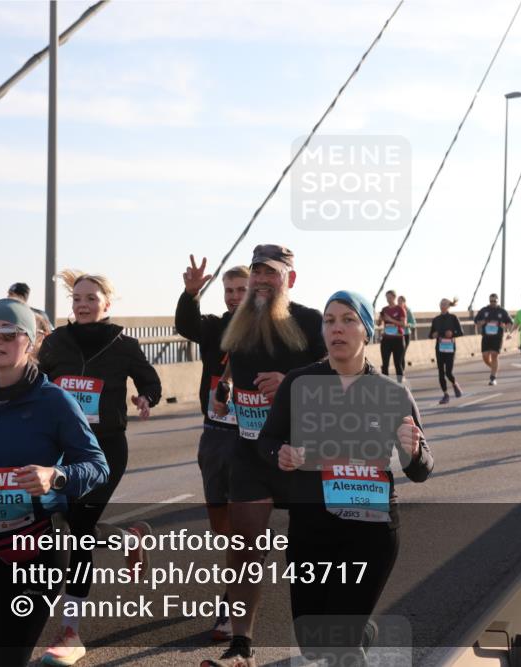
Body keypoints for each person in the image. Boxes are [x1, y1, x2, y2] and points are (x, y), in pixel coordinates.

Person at [260, 290, 433, 665]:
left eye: (348, 320)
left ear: (367, 331)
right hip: (311, 526)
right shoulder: (298, 383)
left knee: (339, 644)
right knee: (312, 641)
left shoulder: (391, 392)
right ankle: (362, 632)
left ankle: (353, 639)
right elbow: (268, 440)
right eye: (329, 320)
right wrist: (282, 454)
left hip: (371, 531)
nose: (336, 328)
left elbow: (420, 469)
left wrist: (414, 450)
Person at [0, 298, 108, 667]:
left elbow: (97, 465)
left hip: (36, 550)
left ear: (30, 341)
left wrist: (56, 476)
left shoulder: (55, 401)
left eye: (8, 332)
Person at [203, 244, 326, 667]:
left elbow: (344, 372)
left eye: (271, 273)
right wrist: (224, 393)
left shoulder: (311, 321)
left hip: (302, 454)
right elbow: (235, 368)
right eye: (257, 272)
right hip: (251, 450)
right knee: (244, 546)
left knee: (308, 553)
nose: (261, 279)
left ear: (290, 279)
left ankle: (319, 642)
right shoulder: (240, 322)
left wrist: (292, 382)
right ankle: (241, 646)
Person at [37, 271, 162, 665]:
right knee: (71, 524)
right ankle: (128, 539)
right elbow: (35, 381)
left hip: (105, 450)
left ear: (107, 304)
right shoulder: (57, 341)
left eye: (91, 298)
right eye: (77, 298)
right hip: (61, 450)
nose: (82, 304)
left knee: (78, 532)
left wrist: (145, 397)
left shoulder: (124, 344)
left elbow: (150, 380)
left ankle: (70, 629)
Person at [175, 257, 249, 641]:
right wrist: (191, 294)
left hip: (252, 439)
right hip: (216, 435)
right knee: (222, 526)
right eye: (229, 291)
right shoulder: (215, 327)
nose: (235, 297)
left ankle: (232, 601)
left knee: (244, 528)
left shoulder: (269, 329)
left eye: (242, 290)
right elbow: (185, 325)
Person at [429, 297, 463, 404]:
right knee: (440, 372)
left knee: (448, 372)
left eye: (445, 304)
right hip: (439, 348)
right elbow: (430, 334)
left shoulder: (453, 318)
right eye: (441, 304)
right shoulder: (436, 319)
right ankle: (445, 394)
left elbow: (461, 332)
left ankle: (454, 384)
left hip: (450, 348)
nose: (442, 305)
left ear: (448, 306)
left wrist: (452, 334)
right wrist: (433, 335)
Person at [473, 293, 512, 386]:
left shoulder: (502, 311)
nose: (493, 302)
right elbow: (476, 322)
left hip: (497, 337)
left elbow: (510, 323)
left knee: (494, 355)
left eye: (494, 301)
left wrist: (504, 326)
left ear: (497, 301)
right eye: (491, 301)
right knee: (485, 356)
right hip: (486, 337)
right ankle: (494, 367)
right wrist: (483, 322)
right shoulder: (484, 310)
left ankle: (493, 377)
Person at [377, 290, 407, 383]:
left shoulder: (400, 309)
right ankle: (385, 384)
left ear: (394, 297)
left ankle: (400, 386)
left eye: (389, 297)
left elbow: (403, 324)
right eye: (386, 297)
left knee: (398, 364)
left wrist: (391, 319)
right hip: (386, 339)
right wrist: (380, 319)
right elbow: (378, 324)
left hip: (398, 339)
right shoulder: (384, 309)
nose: (388, 299)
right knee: (385, 364)